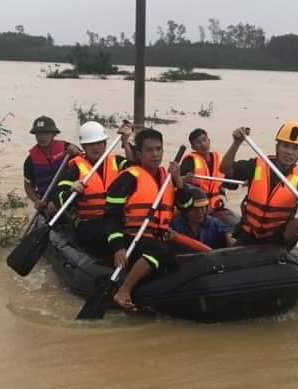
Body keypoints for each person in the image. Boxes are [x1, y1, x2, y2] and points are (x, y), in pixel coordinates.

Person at [220, 121, 298, 292]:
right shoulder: (257, 165)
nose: (289, 152)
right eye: (286, 146)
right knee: (230, 251)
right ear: (277, 146)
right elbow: (225, 168)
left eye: (295, 149)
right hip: (250, 233)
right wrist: (236, 142)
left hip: (279, 236)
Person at [104, 128, 190, 310]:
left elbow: (187, 206)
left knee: (175, 253)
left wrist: (179, 181)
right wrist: (118, 248)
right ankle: (123, 291)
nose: (155, 154)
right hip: (132, 239)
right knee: (161, 251)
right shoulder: (128, 177)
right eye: (149, 150)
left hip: (158, 237)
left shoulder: (168, 178)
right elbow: (111, 216)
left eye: (159, 149)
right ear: (139, 153)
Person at [54, 120, 134, 251]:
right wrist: (72, 190)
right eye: (91, 144)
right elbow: (58, 198)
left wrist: (125, 141)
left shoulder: (116, 161)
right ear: (84, 146)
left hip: (115, 220)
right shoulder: (75, 168)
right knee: (104, 234)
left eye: (99, 143)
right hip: (89, 224)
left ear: (105, 144)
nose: (96, 148)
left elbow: (135, 169)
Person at [23, 115, 79, 218]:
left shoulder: (68, 149)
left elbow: (85, 165)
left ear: (53, 134)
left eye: (46, 133)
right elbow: (28, 186)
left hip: (69, 200)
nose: (42, 137)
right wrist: (36, 200)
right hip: (46, 206)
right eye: (39, 134)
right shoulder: (30, 161)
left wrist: (77, 151)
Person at [180, 128, 237, 214]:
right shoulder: (189, 161)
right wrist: (185, 179)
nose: (203, 144)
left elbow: (232, 185)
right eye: (198, 142)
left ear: (209, 141)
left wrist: (237, 179)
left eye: (204, 140)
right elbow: (178, 182)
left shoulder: (220, 159)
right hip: (198, 208)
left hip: (218, 207)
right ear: (193, 147)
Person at [170, 186, 235, 250]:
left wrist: (228, 236)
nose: (200, 212)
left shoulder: (212, 223)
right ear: (185, 210)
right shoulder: (175, 226)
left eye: (202, 208)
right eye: (195, 209)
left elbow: (225, 229)